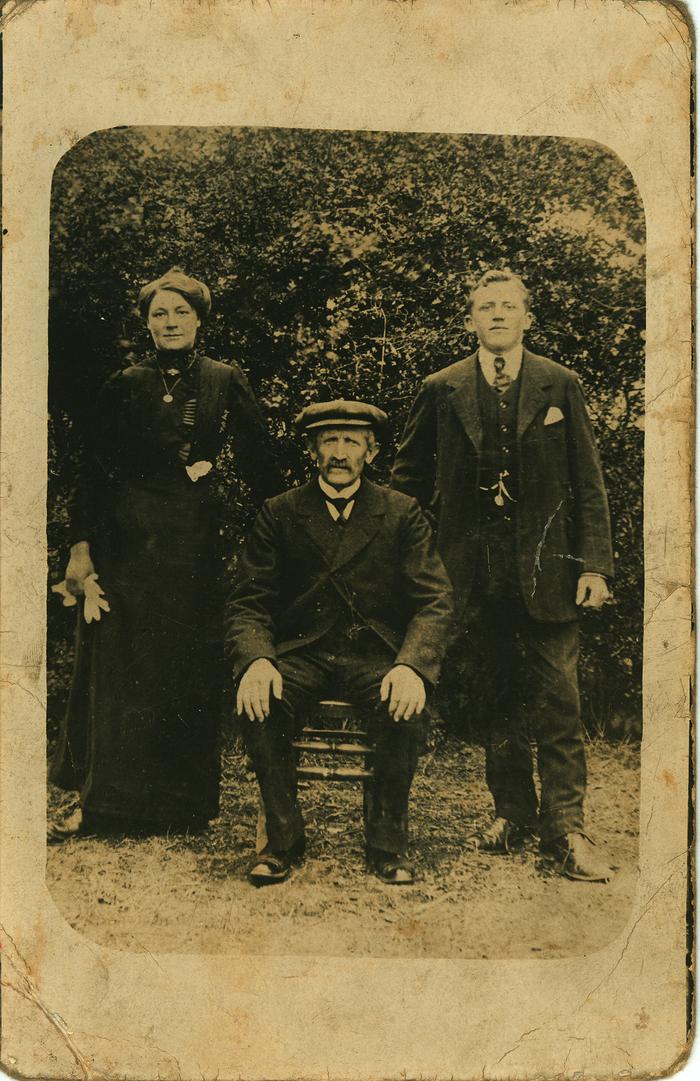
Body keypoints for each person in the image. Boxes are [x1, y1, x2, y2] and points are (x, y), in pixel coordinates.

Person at [390, 268, 615, 882]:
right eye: (485, 307)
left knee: (559, 701)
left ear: (526, 318)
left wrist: (594, 565)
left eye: (508, 307)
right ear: (470, 320)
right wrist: (403, 562)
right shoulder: (442, 387)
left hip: (548, 575)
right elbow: (406, 487)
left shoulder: (558, 384)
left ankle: (566, 829)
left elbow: (587, 482)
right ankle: (512, 811)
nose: (496, 316)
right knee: (498, 700)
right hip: (469, 575)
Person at [49, 267, 283, 840]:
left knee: (182, 666)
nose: (170, 322)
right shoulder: (124, 383)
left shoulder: (226, 380)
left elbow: (260, 468)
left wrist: (279, 534)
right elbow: (91, 472)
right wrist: (80, 550)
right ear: (147, 323)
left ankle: (181, 804)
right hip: (125, 545)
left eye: (180, 312)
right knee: (118, 669)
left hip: (192, 547)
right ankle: (102, 803)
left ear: (200, 320)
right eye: (159, 314)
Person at [226, 400, 453, 885]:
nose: (340, 452)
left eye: (352, 441)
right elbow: (249, 600)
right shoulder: (281, 512)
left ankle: (387, 846)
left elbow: (434, 600)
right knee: (261, 703)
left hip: (375, 656)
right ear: (312, 451)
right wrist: (257, 660)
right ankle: (282, 844)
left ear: (370, 452)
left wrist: (412, 665)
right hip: (303, 652)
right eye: (329, 440)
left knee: (405, 707)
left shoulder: (401, 512)